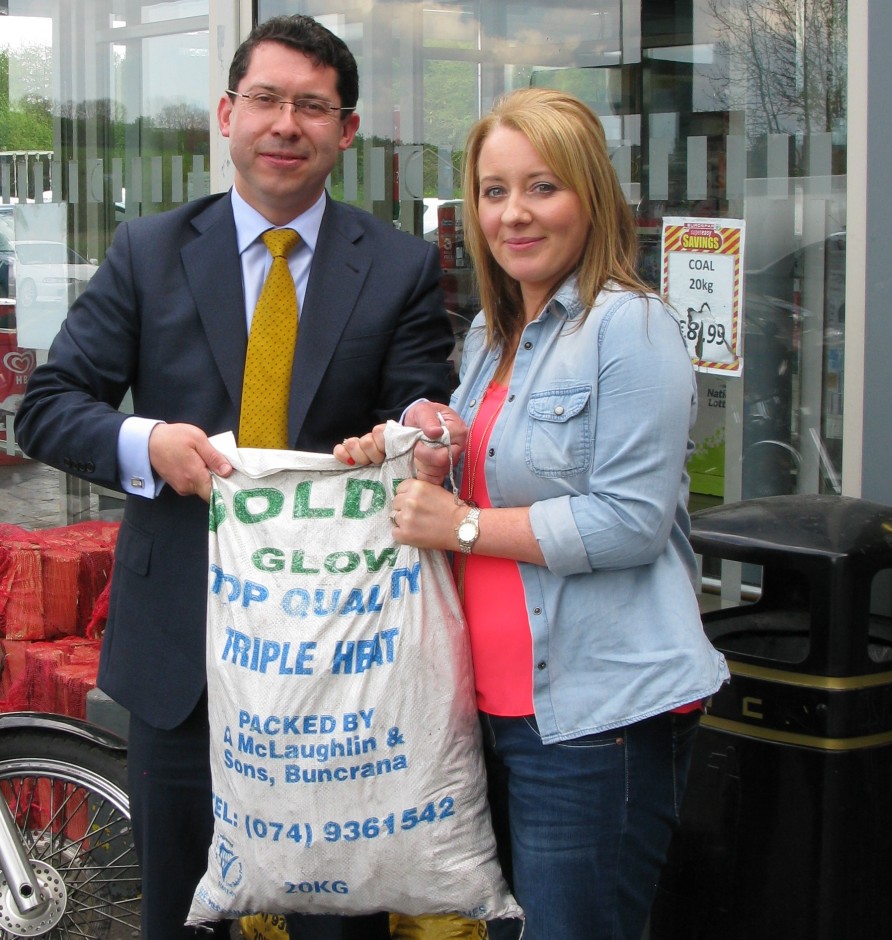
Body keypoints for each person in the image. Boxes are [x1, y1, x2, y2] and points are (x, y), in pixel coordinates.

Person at [14, 15, 453, 940]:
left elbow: (424, 415)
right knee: (179, 911)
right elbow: (50, 404)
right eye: (266, 98)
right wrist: (147, 446)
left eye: (312, 105)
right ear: (226, 113)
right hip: (182, 653)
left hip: (337, 667)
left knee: (339, 916)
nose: (286, 123)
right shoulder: (149, 250)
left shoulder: (403, 266)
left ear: (347, 129)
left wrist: (412, 436)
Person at [339, 87, 730, 939]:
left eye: (542, 187)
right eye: (493, 191)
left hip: (596, 721)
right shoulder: (492, 335)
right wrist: (427, 445)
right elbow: (502, 475)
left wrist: (461, 525)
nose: (514, 214)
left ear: (592, 197)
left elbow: (629, 521)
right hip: (495, 712)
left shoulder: (630, 327)